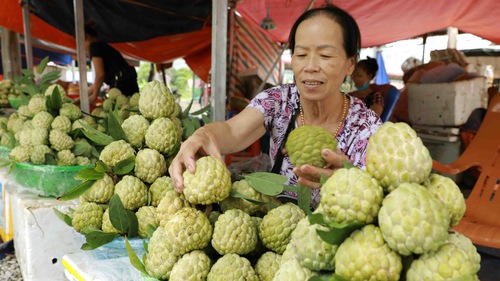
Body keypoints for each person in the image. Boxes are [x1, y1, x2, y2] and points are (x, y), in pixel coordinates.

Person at [168, 4, 382, 206]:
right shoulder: (280, 101)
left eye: (325, 55)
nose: (310, 66)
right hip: (279, 227)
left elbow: (380, 195)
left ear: (350, 64)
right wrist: (204, 135)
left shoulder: (367, 127)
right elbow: (232, 131)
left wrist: (350, 181)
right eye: (301, 54)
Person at [84, 21, 139, 105]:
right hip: (128, 78)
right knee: (132, 106)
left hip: (120, 81)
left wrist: (94, 96)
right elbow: (98, 80)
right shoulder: (102, 45)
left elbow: (100, 74)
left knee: (122, 110)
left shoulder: (94, 46)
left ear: (86, 37)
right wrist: (84, 95)